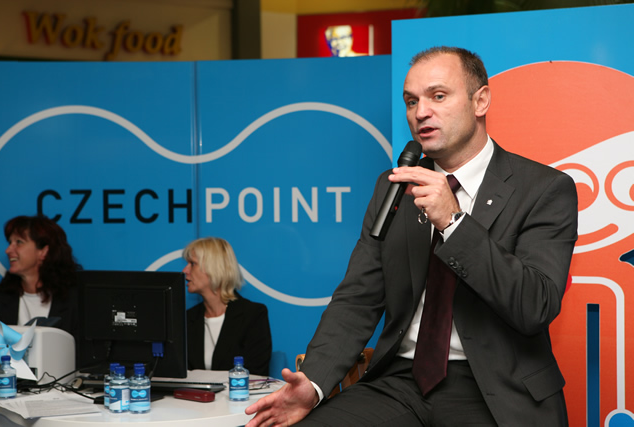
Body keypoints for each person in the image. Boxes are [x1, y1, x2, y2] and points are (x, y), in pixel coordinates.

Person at [245, 46, 578, 426]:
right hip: (402, 380)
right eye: (411, 101)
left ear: (480, 101)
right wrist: (315, 382)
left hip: (497, 389)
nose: (420, 112)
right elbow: (358, 298)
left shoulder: (543, 189)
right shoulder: (394, 188)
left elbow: (535, 307)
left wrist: (453, 222)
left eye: (438, 96)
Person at [183, 237, 272, 376]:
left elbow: (256, 374)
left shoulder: (253, 315)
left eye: (192, 264)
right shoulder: (186, 318)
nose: (185, 271)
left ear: (214, 268)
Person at [0, 215, 81, 336]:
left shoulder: (77, 300)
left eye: (19, 242)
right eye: (10, 242)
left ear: (43, 251)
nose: (8, 250)